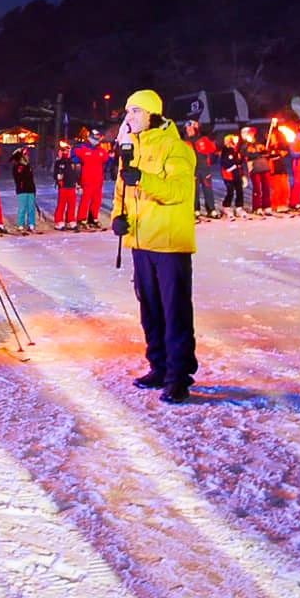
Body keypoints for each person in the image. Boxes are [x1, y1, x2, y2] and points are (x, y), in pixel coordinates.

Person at [111, 89, 197, 405]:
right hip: (142, 242)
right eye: (127, 111)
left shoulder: (177, 148)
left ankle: (178, 377)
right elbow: (123, 190)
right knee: (150, 310)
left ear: (151, 114)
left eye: (134, 111)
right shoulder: (131, 148)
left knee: (174, 312)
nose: (128, 117)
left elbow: (177, 190)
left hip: (169, 244)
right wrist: (118, 217)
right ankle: (159, 367)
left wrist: (142, 178)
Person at [73, 130, 110, 230]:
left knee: (97, 200)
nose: (98, 139)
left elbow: (108, 160)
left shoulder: (101, 151)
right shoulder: (83, 149)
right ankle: (81, 219)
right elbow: (74, 156)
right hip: (87, 179)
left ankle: (93, 218)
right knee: (85, 200)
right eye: (96, 137)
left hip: (98, 180)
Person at [183, 121, 219, 221]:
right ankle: (195, 209)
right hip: (192, 170)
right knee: (194, 191)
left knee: (208, 189)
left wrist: (211, 140)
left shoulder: (203, 139)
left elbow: (212, 149)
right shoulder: (185, 143)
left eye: (190, 129)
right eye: (187, 130)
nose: (188, 131)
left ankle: (211, 209)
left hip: (204, 168)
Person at [241, 126, 272, 216]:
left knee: (266, 188)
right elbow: (246, 155)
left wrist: (265, 152)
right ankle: (257, 207)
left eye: (252, 133)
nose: (252, 135)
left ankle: (266, 206)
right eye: (249, 133)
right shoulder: (245, 145)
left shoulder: (259, 143)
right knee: (257, 189)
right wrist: (258, 153)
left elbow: (266, 152)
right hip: (255, 169)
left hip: (264, 167)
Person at [52, 140, 80, 230]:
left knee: (72, 204)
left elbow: (75, 173)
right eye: (65, 151)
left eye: (68, 151)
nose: (67, 152)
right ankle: (59, 221)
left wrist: (77, 183)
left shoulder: (72, 161)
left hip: (71, 186)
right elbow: (56, 173)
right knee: (61, 204)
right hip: (63, 186)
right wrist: (59, 180)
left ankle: (70, 220)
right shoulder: (59, 162)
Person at [10, 145, 37, 233]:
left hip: (30, 189)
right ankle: (20, 224)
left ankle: (31, 223)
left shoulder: (28, 166)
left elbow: (31, 178)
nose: (27, 156)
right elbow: (17, 178)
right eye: (25, 154)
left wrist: (33, 188)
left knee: (31, 208)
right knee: (22, 208)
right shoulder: (18, 166)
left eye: (27, 154)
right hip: (22, 190)